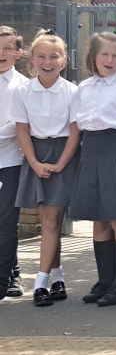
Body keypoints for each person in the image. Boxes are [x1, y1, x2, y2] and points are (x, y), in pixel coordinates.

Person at [72, 32, 116, 306]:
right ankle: (105, 280)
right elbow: (78, 127)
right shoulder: (84, 87)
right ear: (94, 57)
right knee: (99, 220)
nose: (110, 60)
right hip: (91, 150)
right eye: (105, 54)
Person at [10, 31, 79, 307]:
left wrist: (61, 163)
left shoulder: (73, 91)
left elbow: (75, 132)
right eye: (42, 56)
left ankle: (40, 283)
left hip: (64, 154)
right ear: (31, 58)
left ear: (63, 60)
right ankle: (58, 277)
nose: (47, 62)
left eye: (54, 56)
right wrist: (35, 162)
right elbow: (22, 130)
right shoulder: (22, 91)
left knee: (52, 220)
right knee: (51, 220)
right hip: (35, 154)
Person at [0, 26, 28, 301]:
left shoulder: (21, 85)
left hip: (9, 161)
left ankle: (8, 277)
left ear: (19, 53)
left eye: (8, 47)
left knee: (7, 221)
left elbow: (17, 125)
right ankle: (11, 272)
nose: (1, 53)